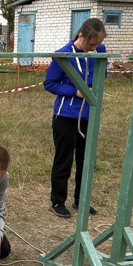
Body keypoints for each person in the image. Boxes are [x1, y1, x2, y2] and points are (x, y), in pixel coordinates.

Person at [44, 17, 107, 219]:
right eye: (91, 43)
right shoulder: (63, 54)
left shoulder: (100, 51)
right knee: (64, 159)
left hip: (90, 114)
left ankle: (82, 199)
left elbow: (102, 74)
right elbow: (50, 83)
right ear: (81, 35)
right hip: (66, 115)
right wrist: (75, 91)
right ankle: (57, 201)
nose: (94, 47)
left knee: (86, 159)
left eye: (97, 44)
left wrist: (94, 85)